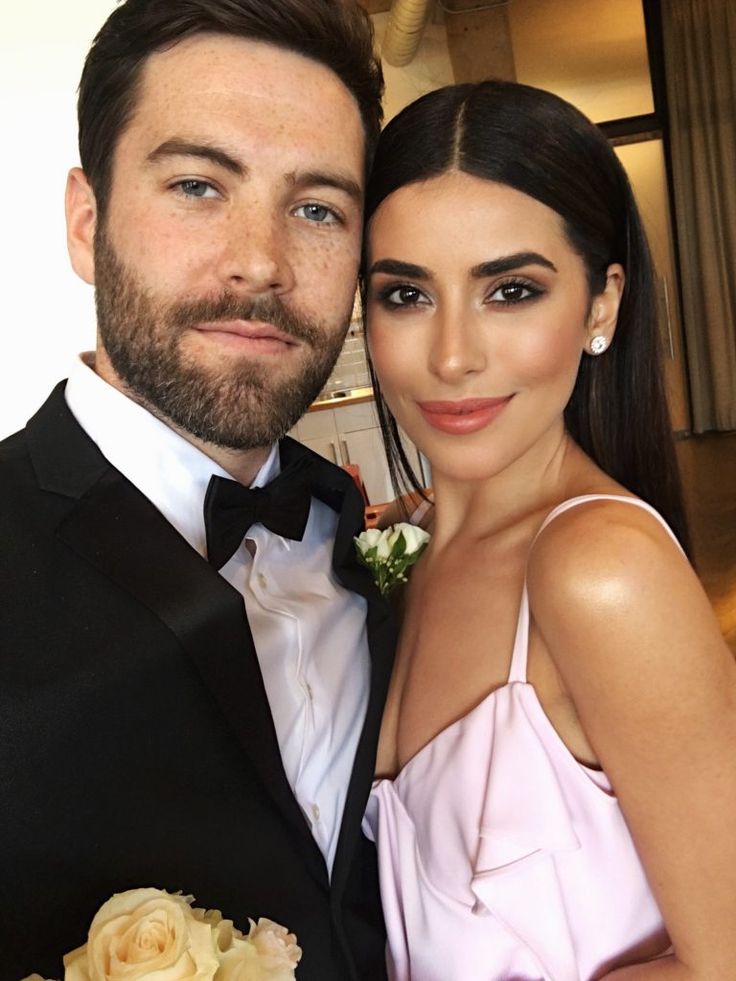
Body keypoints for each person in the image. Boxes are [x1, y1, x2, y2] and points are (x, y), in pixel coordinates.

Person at [0, 2, 394, 979]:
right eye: (197, 185)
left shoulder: (368, 537)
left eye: (317, 208)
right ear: (87, 224)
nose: (260, 261)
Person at [361, 80, 736, 979]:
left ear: (602, 305)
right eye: (406, 294)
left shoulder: (599, 572)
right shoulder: (395, 555)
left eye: (511, 290)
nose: (452, 355)